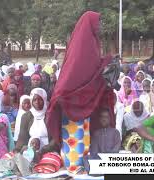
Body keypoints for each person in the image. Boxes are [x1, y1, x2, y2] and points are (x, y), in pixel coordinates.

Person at [45, 11, 117, 173]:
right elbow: (77, 75)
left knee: (83, 136)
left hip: (83, 103)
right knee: (74, 138)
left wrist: (107, 62)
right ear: (89, 24)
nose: (100, 27)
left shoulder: (92, 43)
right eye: (97, 23)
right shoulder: (83, 46)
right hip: (72, 102)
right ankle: (74, 166)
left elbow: (94, 73)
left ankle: (81, 165)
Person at [83, 108, 121, 173]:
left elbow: (116, 149)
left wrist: (107, 158)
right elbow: (94, 151)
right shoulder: (96, 133)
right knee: (86, 158)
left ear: (110, 119)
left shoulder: (115, 132)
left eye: (106, 117)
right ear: (99, 119)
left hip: (111, 160)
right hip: (99, 159)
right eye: (102, 117)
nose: (104, 119)